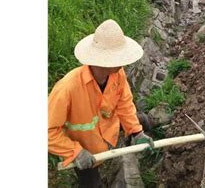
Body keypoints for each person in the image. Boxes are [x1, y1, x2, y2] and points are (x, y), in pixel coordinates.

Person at [48, 19, 154, 188]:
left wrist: (136, 132)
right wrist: (75, 152)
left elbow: (124, 105)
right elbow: (48, 132)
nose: (123, 62)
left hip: (108, 128)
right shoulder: (67, 88)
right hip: (85, 147)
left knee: (142, 121)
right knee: (91, 184)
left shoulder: (117, 75)